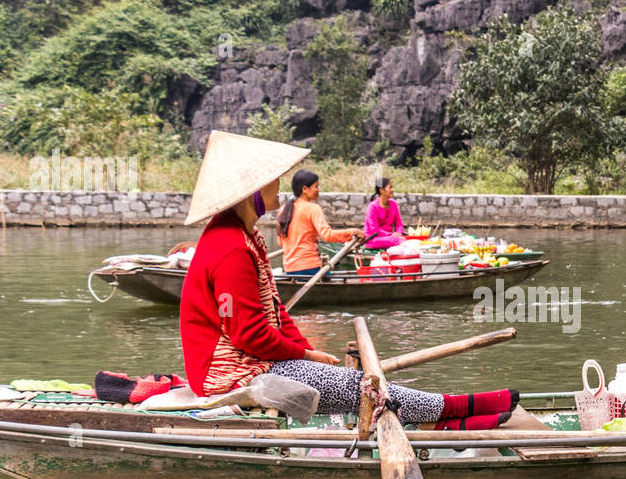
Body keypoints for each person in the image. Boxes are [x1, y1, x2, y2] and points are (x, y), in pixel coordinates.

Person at [179, 130, 517, 430]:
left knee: (346, 380)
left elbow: (276, 311)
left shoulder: (246, 236)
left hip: (252, 359)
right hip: (227, 372)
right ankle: (452, 409)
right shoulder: (231, 248)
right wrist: (307, 358)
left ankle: (445, 421)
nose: (279, 187)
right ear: (251, 190)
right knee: (360, 387)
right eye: (272, 180)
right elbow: (250, 334)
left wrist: (306, 351)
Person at [276, 169, 364, 278]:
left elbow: (280, 241)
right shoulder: (313, 208)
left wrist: (310, 238)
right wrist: (352, 232)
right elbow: (327, 235)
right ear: (305, 189)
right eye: (316, 186)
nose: (318, 190)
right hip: (309, 267)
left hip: (289, 268)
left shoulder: (284, 209)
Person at [363, 176, 405, 250]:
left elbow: (399, 224)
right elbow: (375, 230)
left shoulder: (393, 204)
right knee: (397, 241)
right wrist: (391, 235)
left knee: (405, 240)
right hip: (373, 240)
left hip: (389, 238)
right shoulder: (372, 207)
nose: (392, 190)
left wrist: (399, 233)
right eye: (390, 187)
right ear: (381, 190)